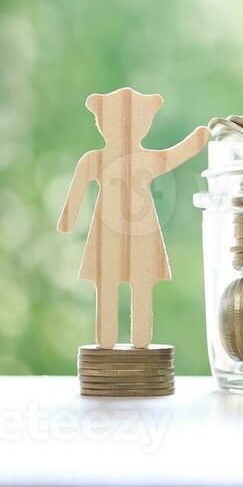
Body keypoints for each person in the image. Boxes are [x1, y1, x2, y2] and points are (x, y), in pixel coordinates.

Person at [57, 89, 209, 349]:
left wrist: (197, 140)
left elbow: (172, 156)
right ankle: (107, 340)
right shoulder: (94, 160)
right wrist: (68, 220)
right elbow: (76, 192)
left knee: (142, 282)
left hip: (141, 233)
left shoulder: (140, 160)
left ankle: (140, 340)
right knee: (107, 284)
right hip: (108, 234)